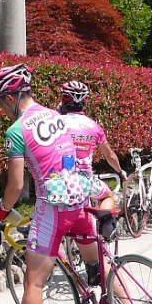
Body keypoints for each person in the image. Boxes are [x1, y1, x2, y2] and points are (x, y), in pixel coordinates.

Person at [0, 64, 100, 304]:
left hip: (52, 209)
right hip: (80, 200)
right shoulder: (57, 116)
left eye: (0, 103)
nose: (1, 109)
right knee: (97, 263)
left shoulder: (16, 130)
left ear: (10, 97)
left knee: (34, 284)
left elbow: (16, 185)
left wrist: (4, 209)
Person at [58, 80, 126, 211]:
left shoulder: (54, 122)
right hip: (84, 182)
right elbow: (110, 156)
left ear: (63, 100)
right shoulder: (94, 127)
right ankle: (103, 225)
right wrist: (119, 171)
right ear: (85, 102)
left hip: (58, 182)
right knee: (108, 195)